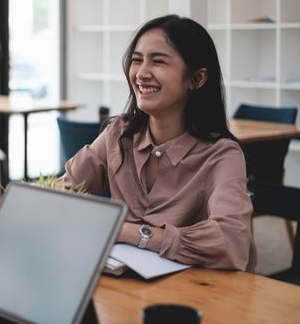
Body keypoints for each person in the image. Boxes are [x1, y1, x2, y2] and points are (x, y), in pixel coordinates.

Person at [63, 15, 256, 271]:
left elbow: (231, 241)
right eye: (136, 60)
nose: (141, 74)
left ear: (196, 79)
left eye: (158, 61)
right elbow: (64, 193)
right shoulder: (119, 134)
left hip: (194, 295)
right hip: (120, 284)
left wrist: (133, 233)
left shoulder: (222, 155)